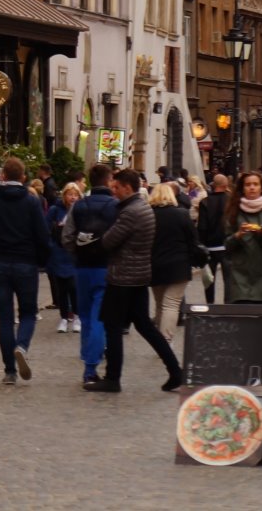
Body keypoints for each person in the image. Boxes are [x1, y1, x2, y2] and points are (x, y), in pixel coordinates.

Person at [84, 169, 183, 394]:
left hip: (123, 277)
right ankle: (175, 371)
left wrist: (96, 241)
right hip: (138, 276)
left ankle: (112, 377)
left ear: (127, 188)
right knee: (145, 326)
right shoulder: (143, 207)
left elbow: (109, 241)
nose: (113, 191)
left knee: (112, 326)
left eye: (116, 187)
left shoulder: (131, 212)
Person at [0, 157, 50, 385]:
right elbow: (42, 234)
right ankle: (22, 346)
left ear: (3, 176)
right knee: (28, 312)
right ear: (24, 177)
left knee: (5, 318)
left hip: (0, 263)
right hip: (26, 263)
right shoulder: (31, 202)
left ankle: (10, 370)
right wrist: (41, 260)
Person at [64, 165, 118, 386]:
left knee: (85, 317)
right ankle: (91, 367)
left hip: (82, 267)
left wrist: (76, 253)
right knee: (99, 319)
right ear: (108, 181)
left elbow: (67, 237)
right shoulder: (116, 206)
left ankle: (87, 357)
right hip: (105, 267)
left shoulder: (78, 206)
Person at [148, 184, 200, 345]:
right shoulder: (182, 215)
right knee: (171, 304)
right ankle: (166, 340)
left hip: (155, 264)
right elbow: (193, 240)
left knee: (160, 304)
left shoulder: (148, 215)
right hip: (179, 265)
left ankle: (159, 340)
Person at [221, 171, 262, 305]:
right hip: (240, 275)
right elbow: (227, 245)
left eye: (255, 184)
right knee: (244, 320)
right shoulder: (233, 212)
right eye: (248, 185)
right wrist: (238, 235)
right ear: (242, 188)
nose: (252, 187)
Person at [47, 184, 80, 334]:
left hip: (74, 253)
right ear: (64, 195)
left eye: (75, 194)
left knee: (74, 287)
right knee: (61, 288)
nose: (72, 197)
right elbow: (45, 228)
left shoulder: (80, 210)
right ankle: (64, 317)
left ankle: (77, 316)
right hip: (58, 252)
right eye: (70, 194)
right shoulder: (55, 209)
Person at [196, 174, 230, 303]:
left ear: (213, 185)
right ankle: (228, 306)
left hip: (210, 246)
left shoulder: (204, 202)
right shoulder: (230, 200)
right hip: (227, 245)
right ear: (226, 186)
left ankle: (210, 305)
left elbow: (202, 227)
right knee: (229, 280)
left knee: (209, 279)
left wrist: (201, 244)